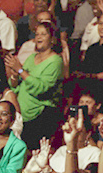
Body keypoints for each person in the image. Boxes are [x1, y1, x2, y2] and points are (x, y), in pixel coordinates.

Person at [6, 20, 64, 148]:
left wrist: (20, 70)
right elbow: (17, 85)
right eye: (37, 34)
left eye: (43, 34)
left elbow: (41, 87)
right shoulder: (31, 58)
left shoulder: (56, 61)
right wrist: (15, 76)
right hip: (22, 116)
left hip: (40, 118)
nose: (38, 37)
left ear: (52, 39)